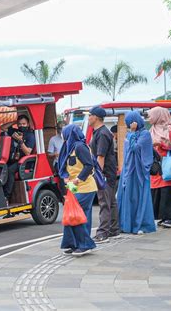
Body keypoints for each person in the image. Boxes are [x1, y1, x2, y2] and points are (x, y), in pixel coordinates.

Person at [58, 124, 97, 257]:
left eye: (64, 134)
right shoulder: (70, 147)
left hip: (85, 187)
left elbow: (89, 165)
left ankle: (85, 245)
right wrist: (66, 177)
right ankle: (73, 243)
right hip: (74, 187)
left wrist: (77, 179)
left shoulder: (79, 147)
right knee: (72, 214)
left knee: (76, 215)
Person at [117, 111, 156, 234]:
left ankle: (141, 224)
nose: (129, 125)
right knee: (127, 197)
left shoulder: (145, 134)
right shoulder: (129, 134)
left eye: (130, 122)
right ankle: (126, 225)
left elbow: (135, 148)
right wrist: (131, 134)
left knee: (138, 197)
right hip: (128, 171)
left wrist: (132, 133)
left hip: (139, 173)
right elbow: (127, 152)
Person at [148, 107, 171, 228]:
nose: (149, 118)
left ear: (159, 116)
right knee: (158, 193)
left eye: (151, 115)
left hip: (168, 166)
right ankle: (163, 216)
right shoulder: (152, 130)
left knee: (167, 192)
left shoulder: (169, 129)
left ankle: (170, 217)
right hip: (157, 167)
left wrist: (162, 144)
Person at [88, 106, 119, 243]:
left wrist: (97, 175)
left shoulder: (102, 133)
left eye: (90, 115)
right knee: (111, 201)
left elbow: (101, 157)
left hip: (104, 172)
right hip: (109, 172)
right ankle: (113, 229)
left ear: (95, 117)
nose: (88, 118)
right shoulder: (101, 132)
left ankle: (103, 233)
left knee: (104, 202)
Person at [0, 115, 36, 198]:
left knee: (10, 170)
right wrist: (15, 122)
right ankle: (0, 194)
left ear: (27, 124)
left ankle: (7, 196)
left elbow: (28, 152)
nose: (22, 126)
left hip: (24, 162)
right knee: (2, 168)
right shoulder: (15, 132)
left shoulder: (30, 135)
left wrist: (20, 141)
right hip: (13, 158)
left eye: (24, 124)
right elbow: (2, 127)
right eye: (20, 124)